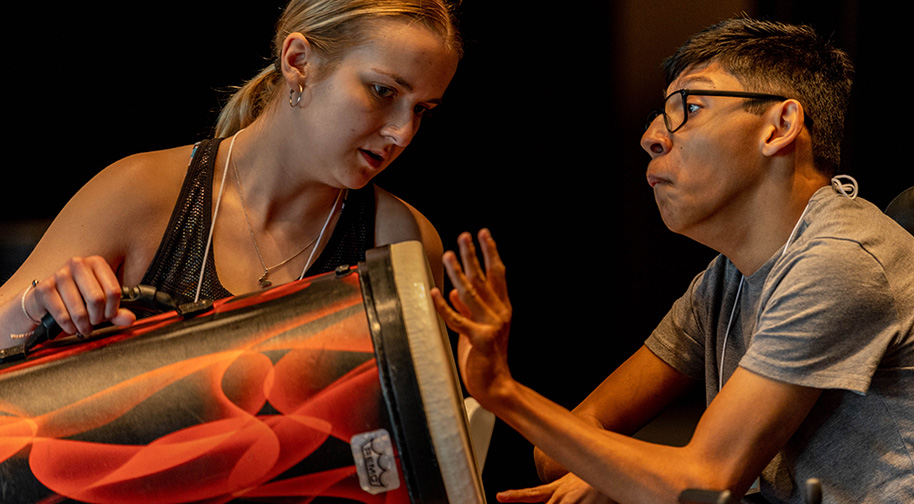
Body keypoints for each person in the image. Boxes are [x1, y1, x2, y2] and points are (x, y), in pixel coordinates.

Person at [432, 18, 914, 504]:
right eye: (658, 115)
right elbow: (561, 450)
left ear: (780, 126)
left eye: (690, 107)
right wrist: (615, 470)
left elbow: (706, 477)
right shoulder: (725, 279)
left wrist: (503, 392)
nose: (652, 137)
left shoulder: (842, 260)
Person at [0, 0, 460, 350]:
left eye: (421, 110)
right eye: (383, 91)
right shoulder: (144, 191)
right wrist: (35, 307)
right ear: (298, 62)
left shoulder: (401, 241)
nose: (402, 133)